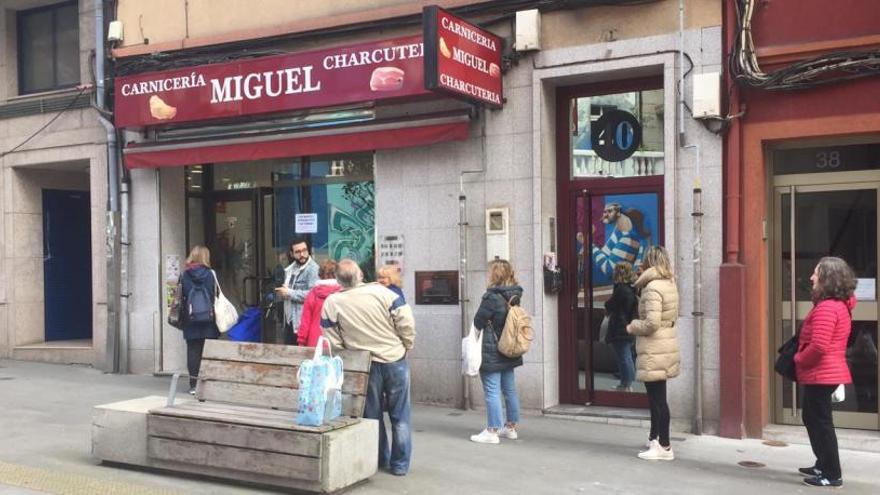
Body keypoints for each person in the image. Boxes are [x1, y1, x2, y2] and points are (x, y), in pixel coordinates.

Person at [321, 259, 416, 476]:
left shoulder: (333, 302)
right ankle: (400, 465)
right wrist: (406, 344)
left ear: (338, 280)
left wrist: (348, 351)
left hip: (365, 364)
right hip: (394, 359)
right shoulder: (383, 293)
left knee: (372, 416)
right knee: (400, 415)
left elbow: (331, 337)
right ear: (361, 275)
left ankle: (378, 458)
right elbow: (406, 321)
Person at [795, 256, 856, 488]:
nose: (811, 277)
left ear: (827, 278)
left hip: (822, 373)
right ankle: (823, 463)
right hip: (824, 372)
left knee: (820, 422)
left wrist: (799, 358)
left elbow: (819, 345)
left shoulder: (828, 307)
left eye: (816, 273)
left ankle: (831, 473)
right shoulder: (837, 305)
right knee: (813, 418)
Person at [626, 245, 679, 460]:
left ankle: (664, 446)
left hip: (654, 348)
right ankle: (655, 438)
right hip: (665, 344)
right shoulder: (669, 283)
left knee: (657, 399)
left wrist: (632, 326)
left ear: (650, 262)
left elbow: (651, 323)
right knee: (658, 397)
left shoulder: (652, 288)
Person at [470, 259, 524, 445]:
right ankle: (510, 428)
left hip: (492, 349)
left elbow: (478, 322)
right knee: (509, 389)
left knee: (492, 390)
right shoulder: (515, 295)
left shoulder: (491, 297)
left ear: (495, 274)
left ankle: (492, 430)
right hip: (509, 349)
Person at [180, 245, 220, 395]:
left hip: (191, 318)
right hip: (208, 317)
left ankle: (193, 385)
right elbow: (214, 294)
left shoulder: (185, 275)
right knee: (209, 351)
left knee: (193, 351)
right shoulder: (211, 274)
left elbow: (181, 294)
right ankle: (208, 384)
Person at [276, 238, 319, 345]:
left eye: (304, 250)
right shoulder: (291, 269)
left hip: (302, 322)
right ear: (292, 254)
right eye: (298, 252)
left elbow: (313, 295)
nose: (302, 254)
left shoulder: (312, 269)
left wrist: (289, 293)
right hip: (290, 320)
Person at [605, 262, 638, 392]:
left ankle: (628, 384)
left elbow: (610, 304)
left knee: (624, 356)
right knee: (625, 356)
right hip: (628, 326)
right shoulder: (630, 288)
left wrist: (607, 304)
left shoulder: (621, 289)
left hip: (621, 327)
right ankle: (624, 383)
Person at [297, 259, 341, 347]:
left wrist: (301, 341)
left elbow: (305, 321)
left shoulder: (313, 294)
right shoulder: (342, 294)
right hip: (336, 342)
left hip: (315, 342)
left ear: (320, 275)